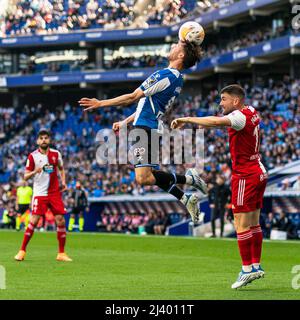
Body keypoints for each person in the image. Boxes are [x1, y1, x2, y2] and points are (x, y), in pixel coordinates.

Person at [79, 40, 207, 223]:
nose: (172, 46)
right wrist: (125, 121)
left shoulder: (165, 75)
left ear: (181, 55)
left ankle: (189, 179)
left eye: (177, 45)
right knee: (151, 176)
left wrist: (100, 103)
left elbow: (132, 97)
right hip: (149, 126)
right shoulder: (177, 79)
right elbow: (148, 105)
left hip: (145, 128)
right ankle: (185, 197)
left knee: (143, 178)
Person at [171, 84, 268, 289]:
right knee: (253, 223)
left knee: (240, 224)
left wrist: (186, 119)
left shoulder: (239, 116)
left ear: (235, 100)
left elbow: (215, 122)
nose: (220, 103)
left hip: (245, 175)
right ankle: (255, 265)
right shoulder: (251, 111)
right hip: (259, 171)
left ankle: (247, 270)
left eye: (223, 99)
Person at [14, 128, 72, 262]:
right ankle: (22, 251)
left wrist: (63, 181)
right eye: (41, 138)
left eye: (46, 138)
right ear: (37, 141)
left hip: (54, 193)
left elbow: (61, 169)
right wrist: (35, 171)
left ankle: (61, 253)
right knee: (33, 221)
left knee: (60, 220)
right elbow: (25, 176)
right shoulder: (32, 156)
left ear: (49, 140)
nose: (43, 140)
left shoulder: (56, 154)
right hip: (40, 194)